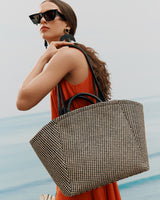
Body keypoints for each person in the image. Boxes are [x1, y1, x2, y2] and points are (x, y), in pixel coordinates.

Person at [16, 0, 121, 199]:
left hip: (79, 164)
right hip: (96, 159)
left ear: (68, 24)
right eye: (37, 18)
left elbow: (23, 101)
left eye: (49, 15)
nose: (41, 22)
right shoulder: (81, 54)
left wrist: (44, 58)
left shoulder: (65, 56)